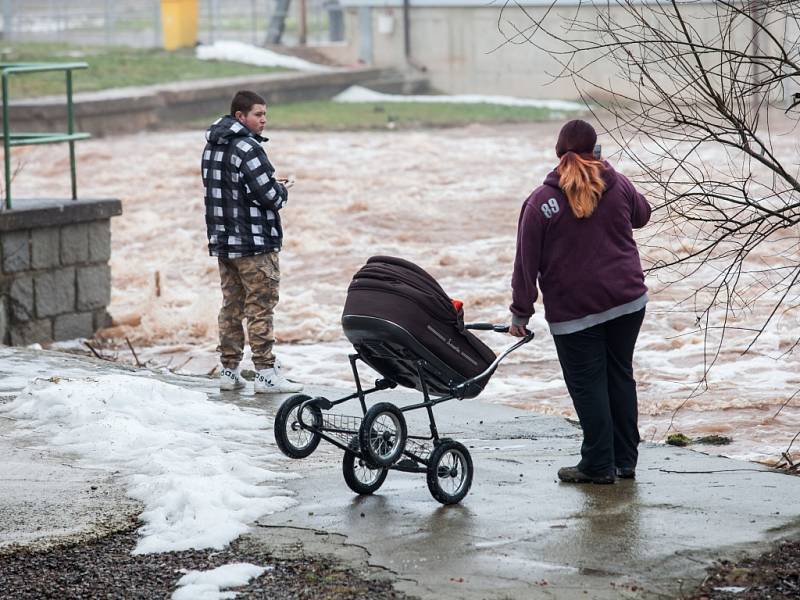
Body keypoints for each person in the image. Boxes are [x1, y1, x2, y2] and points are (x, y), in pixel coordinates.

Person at [509, 119, 651, 484]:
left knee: (589, 385)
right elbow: (643, 215)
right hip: (627, 301)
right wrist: (612, 171)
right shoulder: (615, 184)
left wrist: (520, 312)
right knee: (619, 376)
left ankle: (598, 465)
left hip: (576, 313)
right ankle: (624, 462)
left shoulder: (541, 203)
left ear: (559, 154)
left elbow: (527, 262)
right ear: (594, 149)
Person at [202, 90, 303, 394]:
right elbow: (270, 197)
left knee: (231, 307)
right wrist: (283, 188)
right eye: (258, 115)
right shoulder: (248, 148)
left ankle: (229, 371)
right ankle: (265, 373)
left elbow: (228, 191)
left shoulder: (211, 147)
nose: (264, 120)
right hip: (255, 243)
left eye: (265, 115)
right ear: (240, 117)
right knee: (260, 307)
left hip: (224, 242)